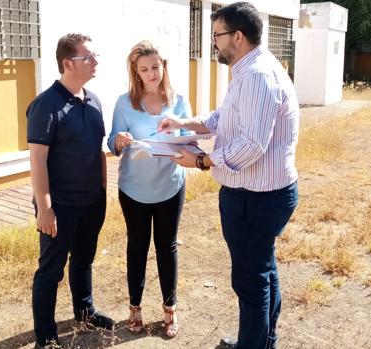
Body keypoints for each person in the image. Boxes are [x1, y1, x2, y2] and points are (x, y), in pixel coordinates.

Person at [158, 3, 299, 349]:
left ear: (238, 36)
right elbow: (225, 118)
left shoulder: (257, 76)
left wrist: (203, 162)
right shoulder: (248, 70)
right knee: (262, 271)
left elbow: (252, 145)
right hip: (255, 194)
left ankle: (254, 344)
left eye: (217, 36)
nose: (213, 44)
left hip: (257, 198)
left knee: (251, 281)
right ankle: (263, 341)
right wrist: (184, 124)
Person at [27, 33, 115, 349]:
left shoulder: (94, 101)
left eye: (94, 56)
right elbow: (37, 159)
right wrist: (45, 207)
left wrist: (104, 190)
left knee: (83, 260)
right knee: (51, 271)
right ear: (68, 63)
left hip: (92, 200)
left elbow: (99, 149)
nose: (95, 62)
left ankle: (85, 312)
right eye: (88, 57)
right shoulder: (46, 105)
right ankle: (46, 336)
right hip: (60, 205)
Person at [107, 40, 192, 339]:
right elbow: (112, 142)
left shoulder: (178, 100)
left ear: (163, 66)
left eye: (155, 67)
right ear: (136, 72)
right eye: (144, 69)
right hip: (133, 191)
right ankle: (135, 309)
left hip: (170, 186)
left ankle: (170, 311)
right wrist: (119, 140)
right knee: (137, 247)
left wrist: (179, 145)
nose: (152, 73)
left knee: (167, 248)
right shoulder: (123, 103)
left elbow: (189, 140)